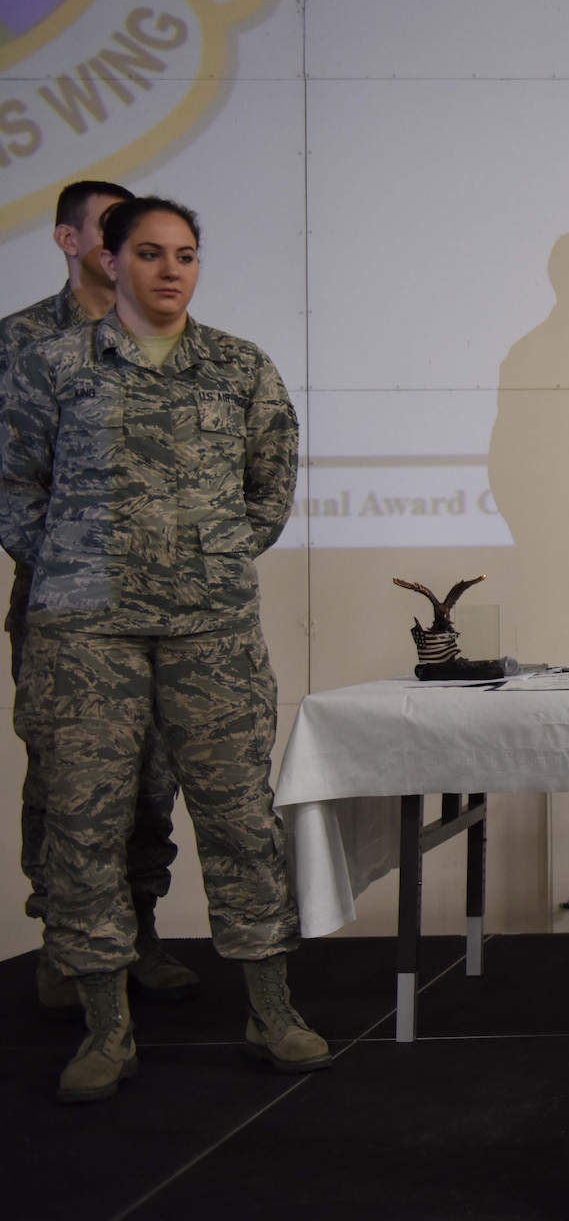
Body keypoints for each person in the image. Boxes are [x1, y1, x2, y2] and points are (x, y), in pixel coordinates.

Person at [0, 196, 326, 1103]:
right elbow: (13, 486)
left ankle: (271, 1009)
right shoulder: (52, 365)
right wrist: (74, 565)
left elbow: (272, 480)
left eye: (186, 253)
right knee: (84, 821)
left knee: (238, 819)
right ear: (109, 259)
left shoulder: (237, 366)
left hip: (210, 630)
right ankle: (107, 1028)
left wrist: (212, 559)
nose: (171, 269)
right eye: (149, 252)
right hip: (85, 636)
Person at [1, 180, 202, 1020]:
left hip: (165, 611)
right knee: (67, 781)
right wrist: (77, 575)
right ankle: (70, 942)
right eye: (115, 234)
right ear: (74, 242)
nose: (135, 251)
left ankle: (139, 931)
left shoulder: (181, 347)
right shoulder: (24, 343)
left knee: (151, 779)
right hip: (65, 613)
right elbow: (15, 487)